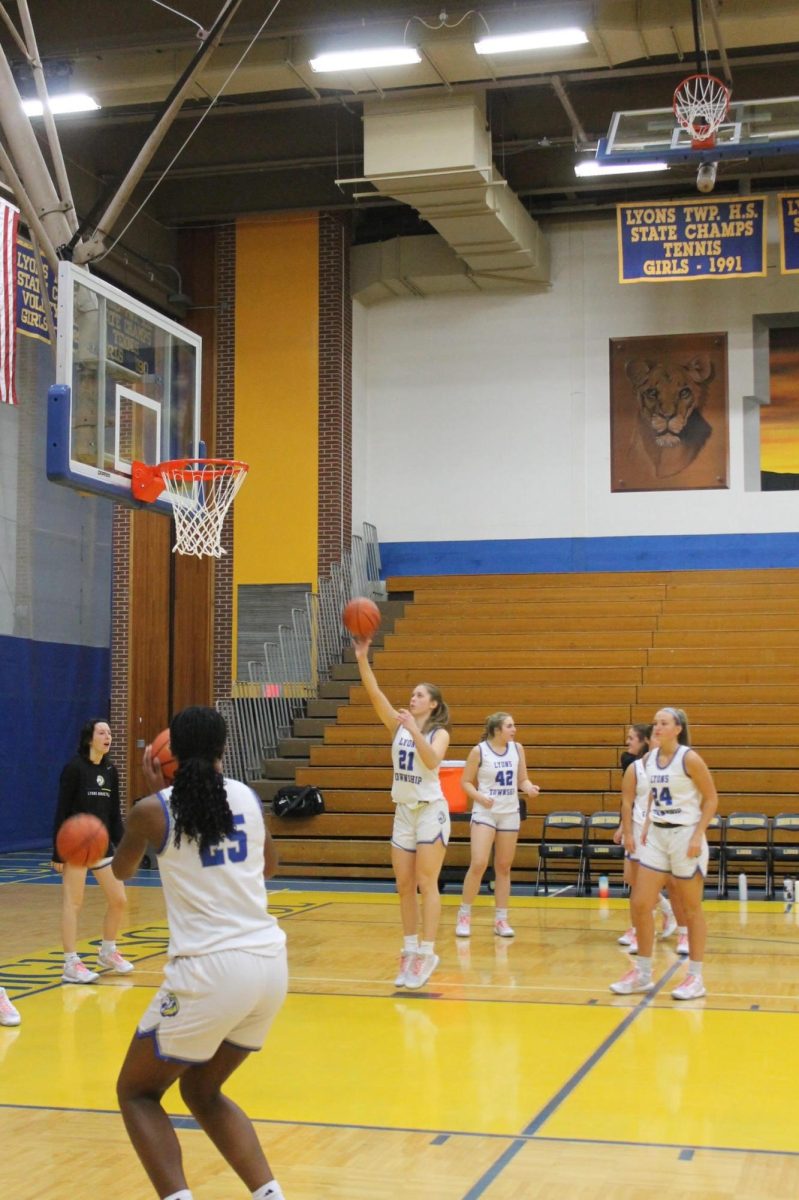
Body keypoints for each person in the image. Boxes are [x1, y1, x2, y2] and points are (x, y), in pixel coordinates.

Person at [112, 705, 288, 1200]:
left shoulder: (153, 810)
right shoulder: (248, 798)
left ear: (165, 755)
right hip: (270, 967)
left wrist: (148, 796)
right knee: (201, 1090)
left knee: (137, 1092)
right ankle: (269, 1194)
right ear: (222, 751)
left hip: (211, 971)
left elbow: (123, 871)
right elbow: (269, 866)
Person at [353, 637, 450, 990]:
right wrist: (363, 659)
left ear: (433, 704)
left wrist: (413, 729)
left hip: (430, 811)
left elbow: (432, 760)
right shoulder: (397, 725)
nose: (413, 698)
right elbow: (375, 692)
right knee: (404, 885)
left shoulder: (439, 733)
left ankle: (427, 951)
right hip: (403, 812)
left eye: (421, 695)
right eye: (412, 694)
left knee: (427, 882)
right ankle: (409, 949)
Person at [610, 707, 718, 1001]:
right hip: (657, 834)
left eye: (663, 723)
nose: (657, 727)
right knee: (641, 902)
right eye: (656, 723)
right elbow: (652, 799)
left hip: (685, 835)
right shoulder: (649, 762)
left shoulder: (689, 758)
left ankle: (695, 977)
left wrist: (697, 834)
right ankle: (643, 973)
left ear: (678, 728)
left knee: (691, 907)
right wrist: (644, 827)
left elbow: (711, 799)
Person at [52, 718, 133, 983]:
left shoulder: (110, 770)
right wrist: (58, 852)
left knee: (118, 899)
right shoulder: (74, 769)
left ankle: (107, 951)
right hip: (75, 847)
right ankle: (70, 963)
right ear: (90, 738)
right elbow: (62, 810)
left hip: (102, 846)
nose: (107, 736)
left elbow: (114, 814)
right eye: (102, 732)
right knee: (73, 902)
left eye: (109, 732)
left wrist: (124, 848)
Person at [455, 712, 540, 938]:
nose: (514, 729)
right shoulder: (479, 751)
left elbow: (522, 778)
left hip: (509, 812)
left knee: (503, 867)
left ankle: (501, 919)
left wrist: (529, 788)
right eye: (510, 726)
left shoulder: (517, 748)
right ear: (497, 730)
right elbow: (465, 782)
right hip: (485, 812)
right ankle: (464, 914)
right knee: (480, 863)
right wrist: (480, 797)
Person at [614, 724, 688, 955]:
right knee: (637, 884)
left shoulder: (677, 765)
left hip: (666, 830)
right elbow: (628, 802)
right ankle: (639, 930)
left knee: (674, 885)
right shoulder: (636, 768)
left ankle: (684, 932)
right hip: (639, 829)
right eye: (655, 736)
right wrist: (626, 831)